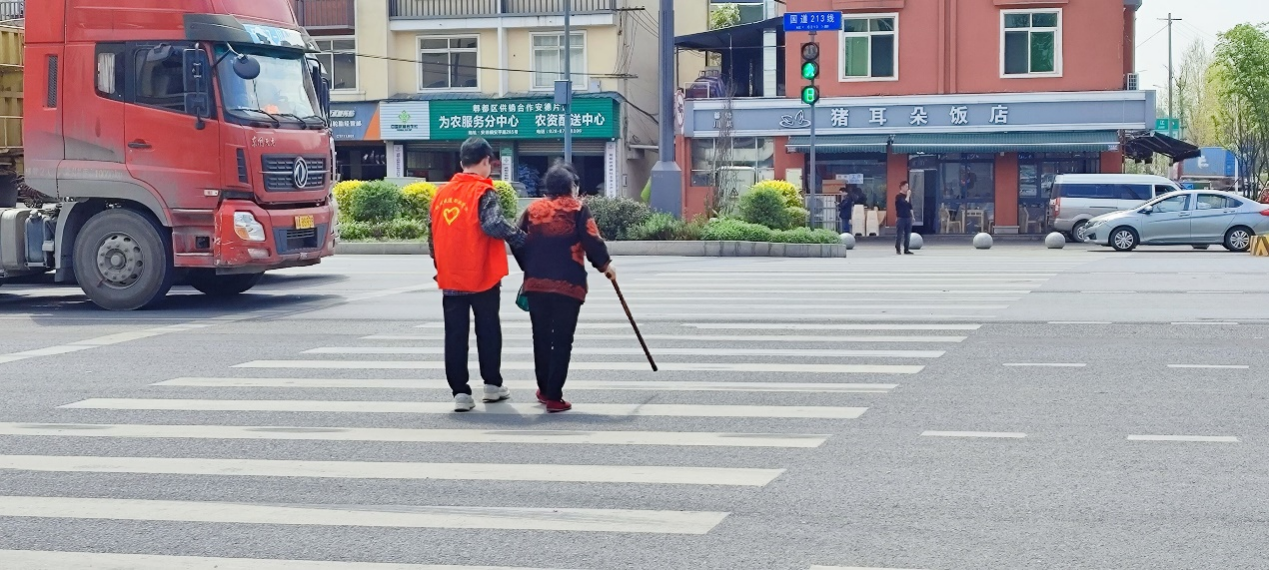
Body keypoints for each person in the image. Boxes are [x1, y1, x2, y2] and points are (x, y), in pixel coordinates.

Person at [429, 137, 527, 412]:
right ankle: (492, 386)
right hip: (482, 274)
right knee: (488, 329)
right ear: (486, 162)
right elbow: (494, 224)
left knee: (455, 334)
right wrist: (522, 238)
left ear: (462, 163)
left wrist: (441, 265)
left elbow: (431, 237)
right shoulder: (483, 192)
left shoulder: (441, 194)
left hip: (451, 277)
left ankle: (460, 393)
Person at [514, 163, 614, 413]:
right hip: (569, 286)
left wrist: (529, 265)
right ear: (571, 186)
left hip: (536, 285)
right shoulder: (578, 209)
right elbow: (592, 240)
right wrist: (605, 266)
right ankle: (554, 397)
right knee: (561, 340)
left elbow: (516, 239)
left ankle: (545, 389)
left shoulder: (532, 210)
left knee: (541, 337)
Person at [895, 181, 914, 255]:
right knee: (899, 234)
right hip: (901, 217)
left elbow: (910, 207)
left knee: (907, 234)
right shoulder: (898, 197)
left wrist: (912, 216)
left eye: (907, 186)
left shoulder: (908, 197)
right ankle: (898, 248)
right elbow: (904, 203)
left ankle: (906, 249)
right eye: (906, 186)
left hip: (908, 217)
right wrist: (908, 195)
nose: (907, 188)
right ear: (902, 187)